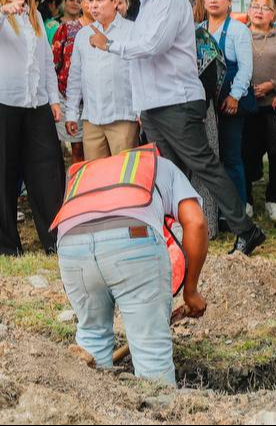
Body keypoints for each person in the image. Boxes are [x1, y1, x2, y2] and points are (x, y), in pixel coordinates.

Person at [88, 0, 267, 255]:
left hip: (176, 101)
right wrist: (139, 106)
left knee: (204, 166)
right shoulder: (146, 4)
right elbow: (141, 58)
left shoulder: (171, 0)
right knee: (166, 173)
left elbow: (153, 45)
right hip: (154, 103)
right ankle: (172, 234)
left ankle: (246, 229)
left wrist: (109, 45)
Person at [52, 144, 208, 386]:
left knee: (92, 336)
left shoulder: (89, 171)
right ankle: (159, 412)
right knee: (150, 351)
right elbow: (196, 222)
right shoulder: (161, 166)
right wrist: (191, 291)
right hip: (133, 238)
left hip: (71, 245)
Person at [0, 0, 66, 255]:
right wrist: (4, 11)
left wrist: (53, 99)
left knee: (48, 169)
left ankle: (54, 239)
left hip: (35, 101)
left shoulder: (36, 16)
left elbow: (44, 63)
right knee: (1, 171)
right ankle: (6, 245)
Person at [64, 0, 139, 160]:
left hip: (123, 117)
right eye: (90, 0)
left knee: (124, 177)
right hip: (92, 119)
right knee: (96, 178)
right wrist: (71, 113)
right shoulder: (83, 34)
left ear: (115, 2)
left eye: (100, 0)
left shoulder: (133, 30)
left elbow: (141, 73)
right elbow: (75, 76)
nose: (94, 6)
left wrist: (140, 111)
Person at [200, 0, 254, 210]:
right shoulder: (198, 30)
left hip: (230, 100)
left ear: (229, 1)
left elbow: (246, 67)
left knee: (231, 157)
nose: (213, 0)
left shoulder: (238, 30)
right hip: (203, 102)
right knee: (211, 157)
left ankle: (238, 210)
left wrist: (235, 96)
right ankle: (214, 210)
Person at [241, 0, 276, 223]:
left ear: (274, 14)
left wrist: (272, 86)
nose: (259, 11)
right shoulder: (240, 34)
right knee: (246, 155)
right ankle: (247, 201)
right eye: (255, 6)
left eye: (265, 7)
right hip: (247, 106)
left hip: (275, 105)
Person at [52, 0, 90, 159]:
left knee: (92, 150)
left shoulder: (104, 29)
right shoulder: (66, 28)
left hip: (95, 98)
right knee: (76, 148)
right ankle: (73, 184)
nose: (92, 5)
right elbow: (53, 63)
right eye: (88, 0)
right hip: (69, 96)